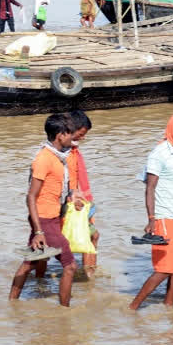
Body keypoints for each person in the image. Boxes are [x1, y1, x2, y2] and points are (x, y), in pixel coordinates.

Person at [130, 113, 173, 308]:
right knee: (164, 270)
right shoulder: (159, 153)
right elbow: (150, 188)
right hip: (165, 217)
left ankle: (169, 307)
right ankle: (133, 308)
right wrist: (151, 218)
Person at [10, 113, 78, 307]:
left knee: (30, 262)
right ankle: (65, 312)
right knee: (70, 265)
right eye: (69, 134)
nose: (72, 138)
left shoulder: (57, 157)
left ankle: (12, 304)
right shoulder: (44, 159)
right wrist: (39, 231)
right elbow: (31, 195)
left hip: (50, 218)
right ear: (60, 135)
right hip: (45, 220)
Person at [66, 110, 99, 276]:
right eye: (82, 133)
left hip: (79, 202)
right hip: (71, 203)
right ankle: (89, 277)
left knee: (92, 237)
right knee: (91, 237)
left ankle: (89, 273)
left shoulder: (73, 151)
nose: (83, 137)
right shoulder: (65, 153)